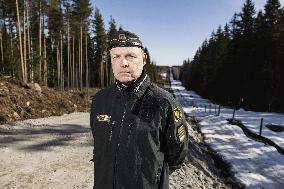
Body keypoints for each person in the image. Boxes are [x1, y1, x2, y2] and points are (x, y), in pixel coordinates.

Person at [90, 30, 188, 189]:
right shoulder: (100, 100)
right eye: (116, 57)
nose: (123, 63)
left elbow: (177, 155)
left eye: (130, 56)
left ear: (143, 59)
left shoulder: (164, 102)